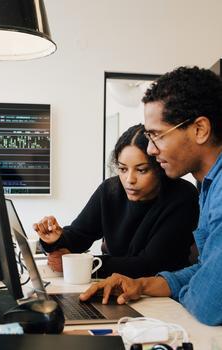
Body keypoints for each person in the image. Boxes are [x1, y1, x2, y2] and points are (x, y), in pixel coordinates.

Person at [80, 66, 222, 326]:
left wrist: (192, 291)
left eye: (156, 136)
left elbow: (209, 305)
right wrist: (141, 284)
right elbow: (204, 270)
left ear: (200, 129)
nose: (151, 150)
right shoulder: (208, 186)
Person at [33, 124, 199, 278]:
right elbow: (79, 235)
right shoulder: (110, 190)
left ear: (159, 168)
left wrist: (82, 265)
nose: (129, 180)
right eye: (122, 169)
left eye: (141, 170)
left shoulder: (182, 196)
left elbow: (151, 264)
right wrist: (55, 239)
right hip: (117, 287)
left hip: (164, 296)